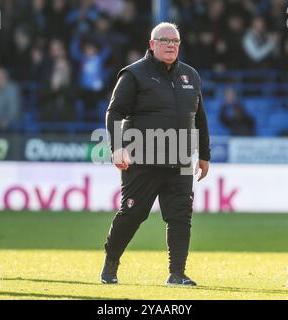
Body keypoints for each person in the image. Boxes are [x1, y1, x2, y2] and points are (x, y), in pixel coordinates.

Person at [102, 22, 211, 286]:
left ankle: (177, 274)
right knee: (132, 215)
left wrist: (204, 154)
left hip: (181, 161)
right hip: (142, 160)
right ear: (152, 44)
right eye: (165, 41)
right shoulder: (134, 74)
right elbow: (114, 112)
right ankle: (111, 263)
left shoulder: (191, 76)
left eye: (175, 41)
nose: (171, 45)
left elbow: (200, 117)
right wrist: (117, 147)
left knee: (180, 217)